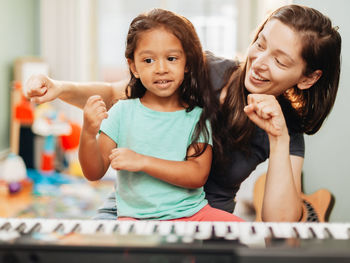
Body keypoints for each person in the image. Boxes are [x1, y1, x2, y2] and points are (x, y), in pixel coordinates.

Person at [25, 4, 341, 222]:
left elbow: (280, 225)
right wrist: (58, 87)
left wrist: (279, 138)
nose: (259, 62)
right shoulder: (203, 70)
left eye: (281, 61)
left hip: (203, 220)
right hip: (137, 207)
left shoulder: (287, 130)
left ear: (308, 77)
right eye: (260, 44)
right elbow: (114, 96)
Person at [79, 8, 243, 221]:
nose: (161, 68)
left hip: (193, 214)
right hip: (136, 218)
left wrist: (142, 162)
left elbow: (197, 175)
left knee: (249, 234)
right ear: (134, 67)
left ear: (187, 64)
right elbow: (94, 172)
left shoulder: (197, 116)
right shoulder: (122, 112)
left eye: (172, 58)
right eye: (148, 61)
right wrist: (88, 133)